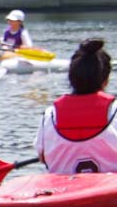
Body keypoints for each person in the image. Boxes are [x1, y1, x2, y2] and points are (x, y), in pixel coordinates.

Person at [34, 39, 117, 174]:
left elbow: (42, 157)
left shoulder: (50, 114)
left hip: (63, 191)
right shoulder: (114, 110)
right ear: (106, 80)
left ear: (71, 78)